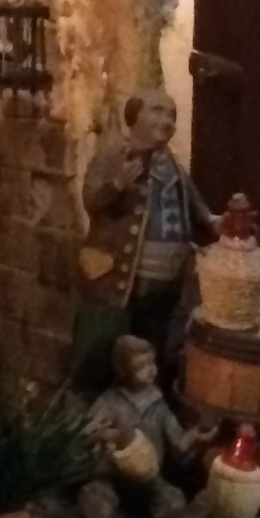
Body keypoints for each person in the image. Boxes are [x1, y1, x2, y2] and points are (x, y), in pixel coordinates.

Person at [72, 88, 215, 386]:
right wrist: (116, 184)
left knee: (151, 351)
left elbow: (196, 205)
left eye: (172, 114)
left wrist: (215, 222)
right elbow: (91, 200)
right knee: (103, 350)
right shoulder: (114, 154)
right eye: (157, 111)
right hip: (120, 280)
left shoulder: (173, 165)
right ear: (134, 116)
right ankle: (95, 404)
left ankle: (145, 404)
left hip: (166, 281)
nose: (167, 120)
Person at [75, 336, 212, 518]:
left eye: (152, 363)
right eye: (140, 367)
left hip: (149, 477)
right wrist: (100, 435)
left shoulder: (159, 405)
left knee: (169, 495)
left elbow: (176, 441)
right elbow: (87, 432)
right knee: (96, 491)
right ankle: (98, 516)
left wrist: (193, 435)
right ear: (123, 370)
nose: (150, 370)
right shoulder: (109, 401)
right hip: (112, 474)